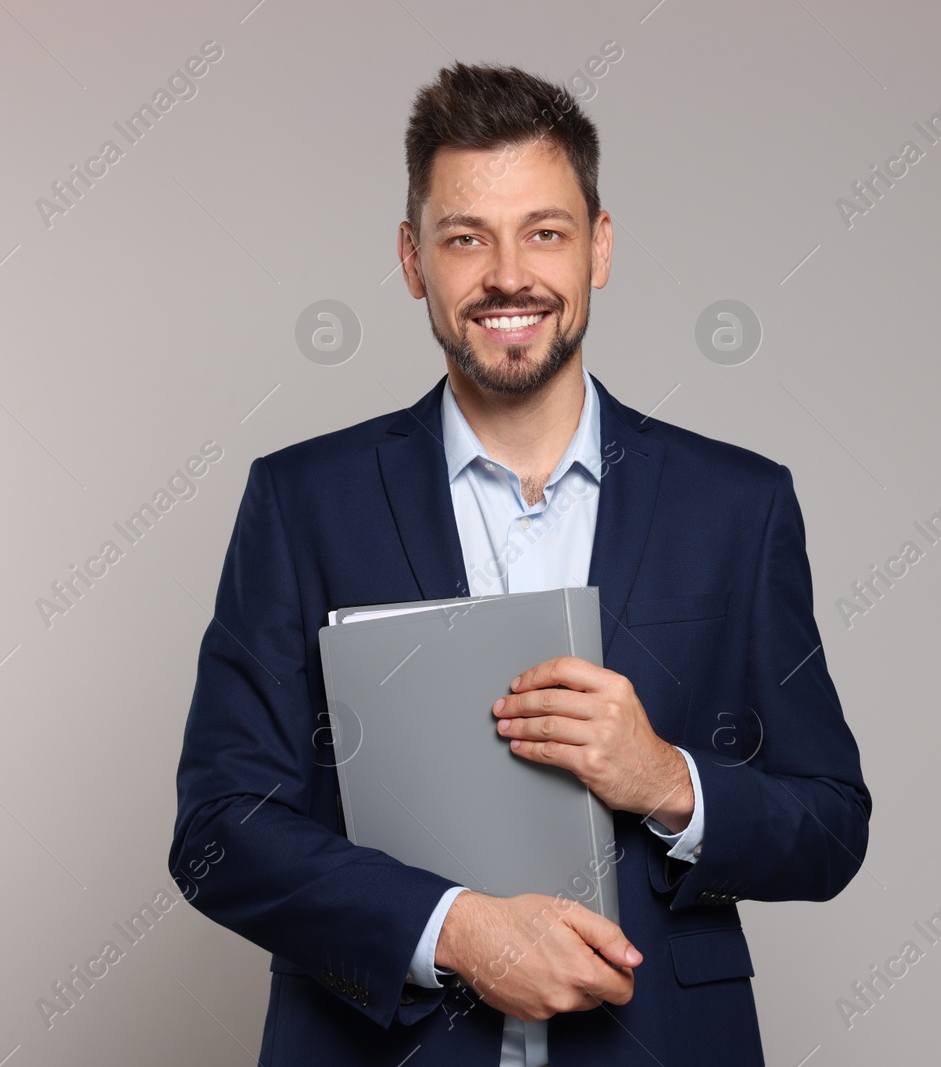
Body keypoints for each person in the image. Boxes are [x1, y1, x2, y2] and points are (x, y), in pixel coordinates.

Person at [168, 61, 870, 1067]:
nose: (508, 275)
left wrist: (668, 777)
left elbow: (829, 823)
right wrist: (452, 929)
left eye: (544, 231)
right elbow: (219, 827)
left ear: (600, 247)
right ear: (413, 259)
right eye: (466, 238)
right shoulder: (301, 502)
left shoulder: (737, 506)